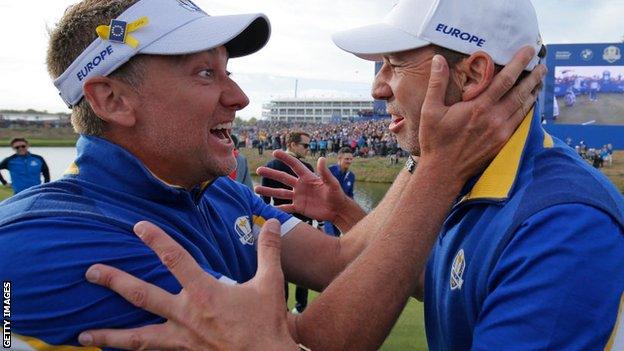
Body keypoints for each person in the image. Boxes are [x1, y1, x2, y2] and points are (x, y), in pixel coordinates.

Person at [75, 0, 624, 350]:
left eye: (392, 63)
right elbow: (445, 282)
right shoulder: (472, 181)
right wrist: (350, 213)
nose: (377, 88)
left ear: (474, 72)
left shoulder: (561, 222)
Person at [261, 131, 314, 314]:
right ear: (292, 144)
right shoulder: (306, 168)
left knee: (281, 269)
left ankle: (282, 309)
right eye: (305, 145)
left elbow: (264, 204)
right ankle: (299, 308)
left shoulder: (271, 165)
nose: (309, 149)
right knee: (300, 270)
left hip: (279, 225)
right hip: (299, 226)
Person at [324, 147, 355, 237]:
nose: (349, 161)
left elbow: (350, 195)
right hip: (328, 212)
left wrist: (352, 210)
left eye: (350, 159)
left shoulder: (351, 175)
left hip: (342, 213)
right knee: (331, 238)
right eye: (346, 159)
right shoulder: (329, 171)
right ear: (339, 158)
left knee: (340, 238)